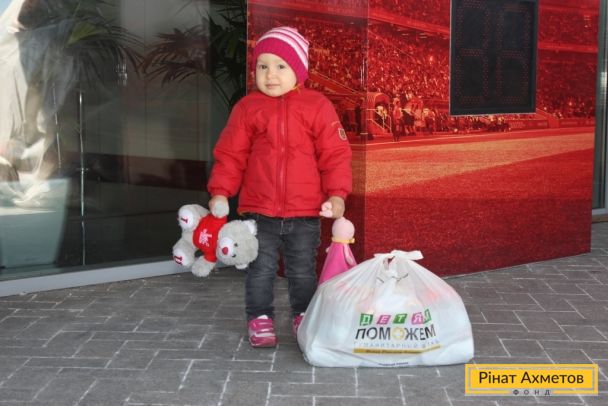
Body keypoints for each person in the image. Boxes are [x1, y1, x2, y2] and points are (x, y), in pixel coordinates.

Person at [206, 26, 352, 348]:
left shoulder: (317, 106)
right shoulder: (248, 108)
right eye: (263, 66)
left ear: (299, 70)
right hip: (259, 212)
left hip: (305, 211)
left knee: (302, 271)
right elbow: (231, 155)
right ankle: (259, 318)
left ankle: (303, 316)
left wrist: (337, 194)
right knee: (260, 270)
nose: (270, 74)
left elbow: (335, 154)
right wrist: (220, 192)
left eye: (280, 66)